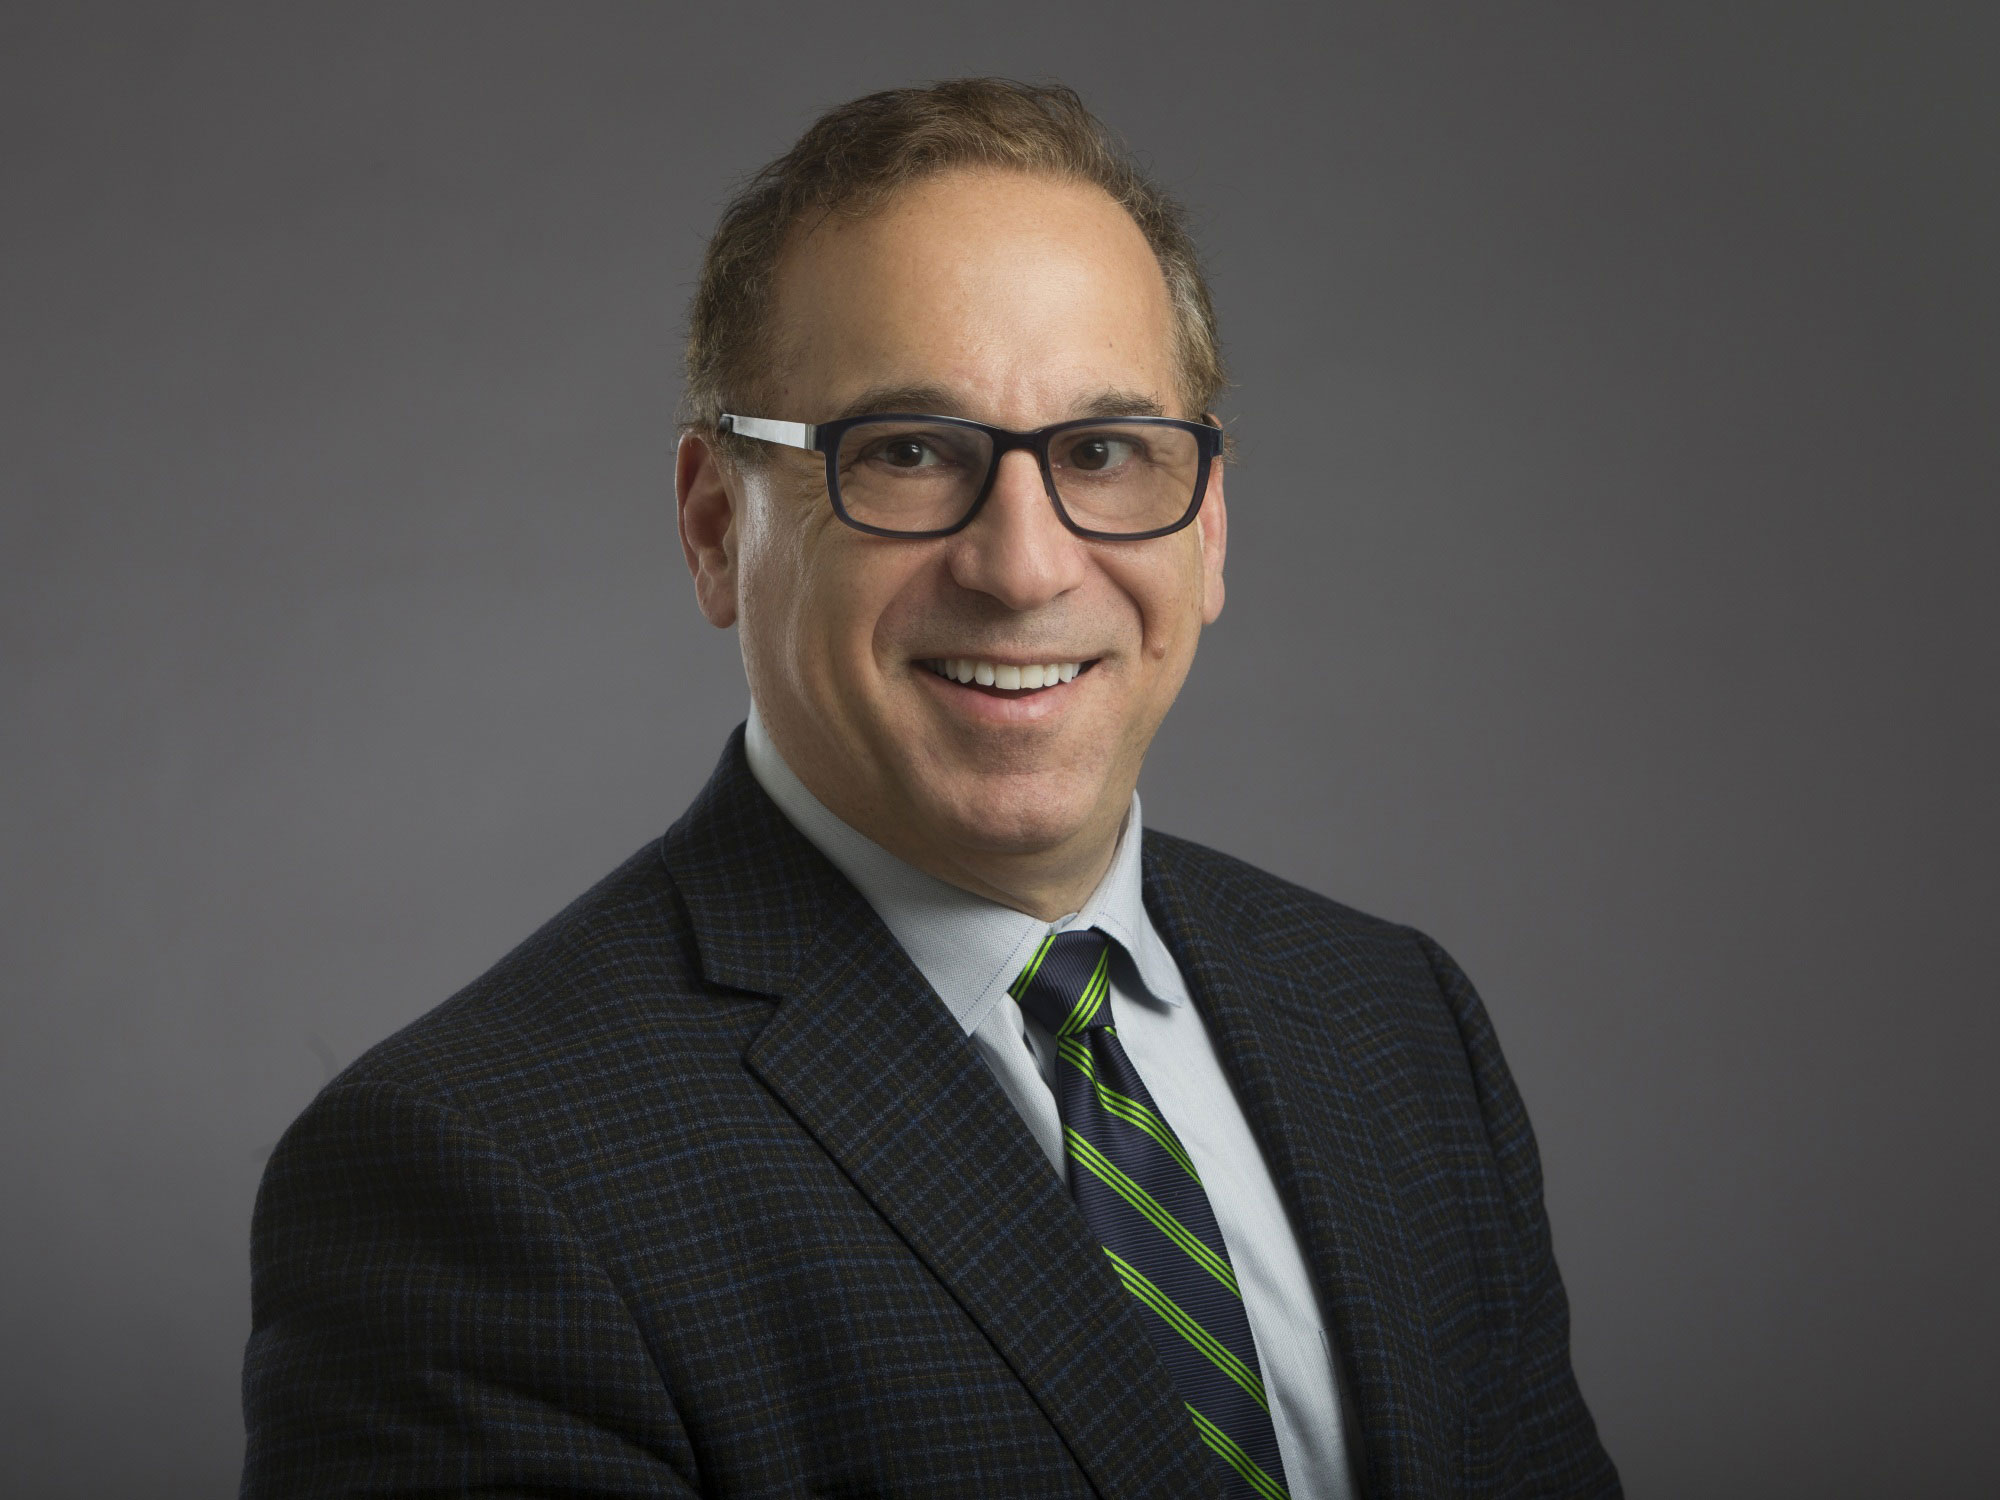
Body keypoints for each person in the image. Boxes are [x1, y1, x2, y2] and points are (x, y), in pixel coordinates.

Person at [240, 79, 1619, 1499]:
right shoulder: (474, 1172)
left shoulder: (1397, 1027)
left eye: (1103, 453)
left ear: (1208, 526)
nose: (1024, 567)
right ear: (714, 527)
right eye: (906, 453)